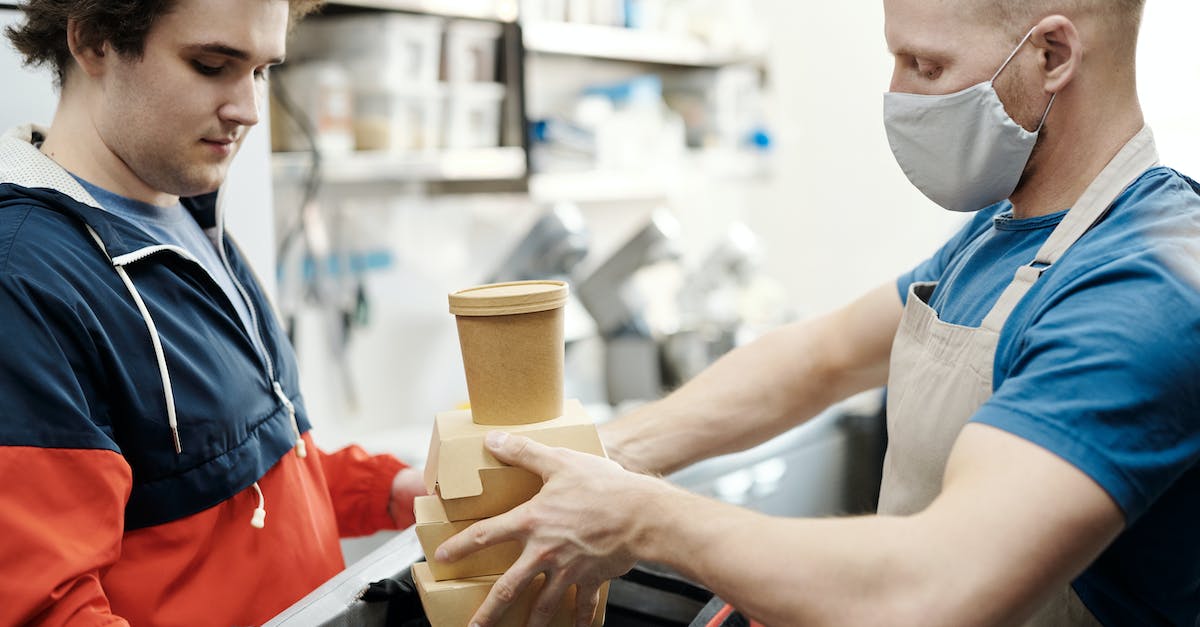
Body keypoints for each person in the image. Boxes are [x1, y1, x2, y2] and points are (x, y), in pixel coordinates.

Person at [436, 0, 1200, 625]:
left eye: (927, 66)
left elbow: (937, 588)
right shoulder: (1003, 234)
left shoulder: (1143, 287)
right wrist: (594, 456)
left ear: (1053, 57)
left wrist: (639, 517)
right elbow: (821, 357)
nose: (897, 97)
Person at [0, 1, 428, 625]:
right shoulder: (26, 280)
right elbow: (47, 609)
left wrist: (384, 491)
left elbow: (245, 477)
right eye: (211, 65)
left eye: (260, 71)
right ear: (93, 41)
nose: (249, 110)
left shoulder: (193, 221)